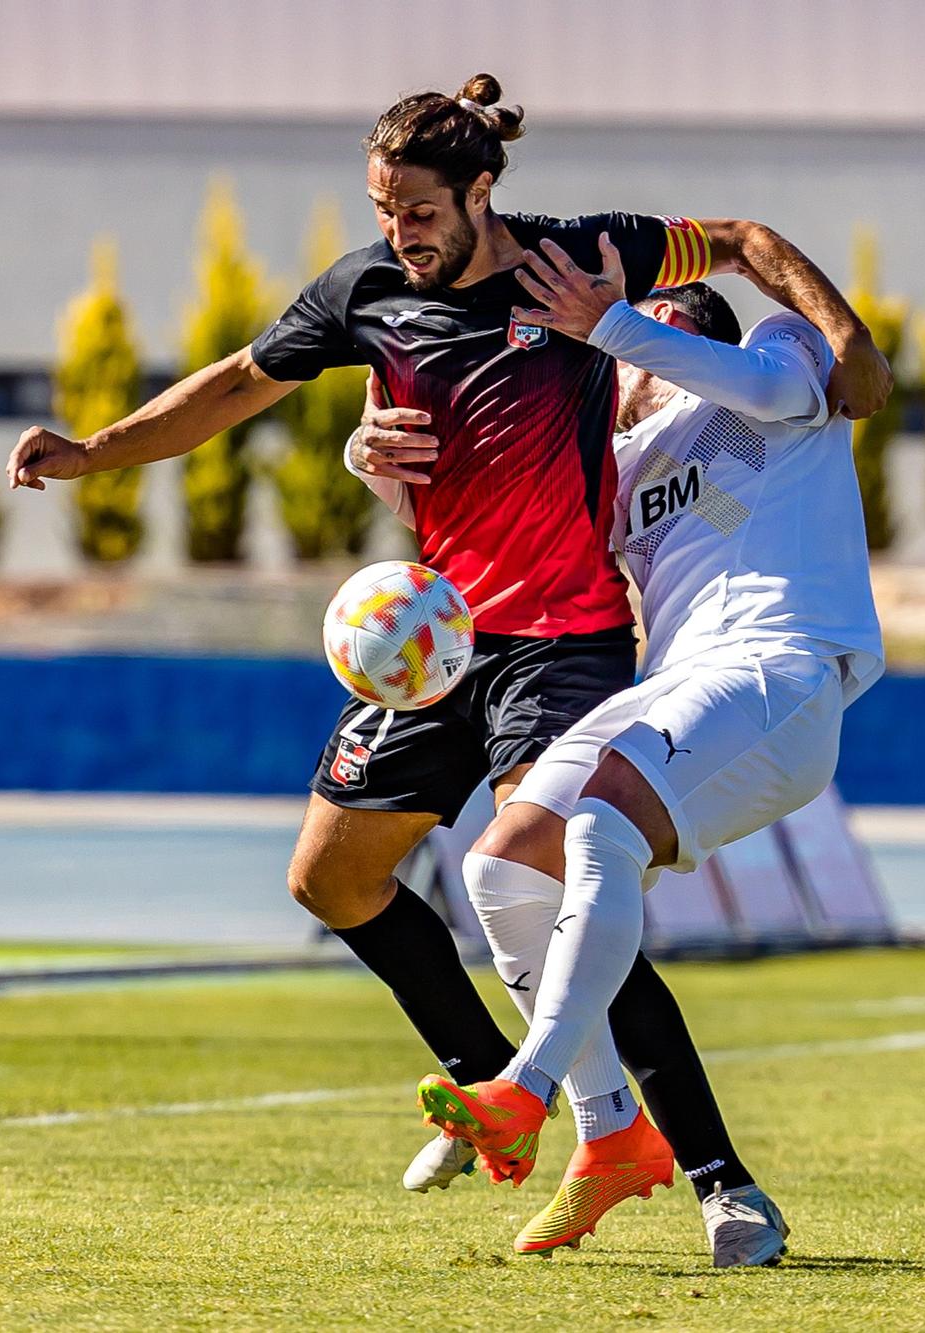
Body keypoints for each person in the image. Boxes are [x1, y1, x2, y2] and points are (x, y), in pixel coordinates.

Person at [5, 74, 889, 1266]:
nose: (396, 231)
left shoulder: (587, 266)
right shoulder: (363, 291)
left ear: (480, 191)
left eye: (417, 208)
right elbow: (234, 384)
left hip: (564, 641)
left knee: (562, 858)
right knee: (331, 877)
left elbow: (738, 243)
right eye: (381, 207)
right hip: (438, 640)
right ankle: (499, 1088)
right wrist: (105, 451)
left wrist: (840, 336)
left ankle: (710, 1171)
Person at [371, 248, 880, 1258]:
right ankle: (610, 1136)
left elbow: (782, 377)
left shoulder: (767, 368)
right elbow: (490, 531)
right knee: (504, 863)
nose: (605, 363)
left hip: (780, 669)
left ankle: (522, 1086)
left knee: (599, 815)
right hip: (680, 684)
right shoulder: (616, 465)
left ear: (672, 331)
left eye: (627, 338)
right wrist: (381, 463)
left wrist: (608, 320)